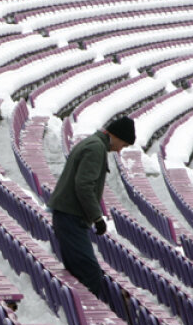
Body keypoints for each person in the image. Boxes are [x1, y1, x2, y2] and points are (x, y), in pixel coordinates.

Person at [47, 117, 136, 300]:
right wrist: (97, 217)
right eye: (123, 144)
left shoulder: (92, 143)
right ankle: (88, 320)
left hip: (67, 216)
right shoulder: (96, 148)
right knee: (90, 274)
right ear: (115, 136)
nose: (120, 150)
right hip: (71, 218)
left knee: (79, 272)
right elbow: (84, 185)